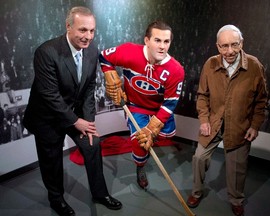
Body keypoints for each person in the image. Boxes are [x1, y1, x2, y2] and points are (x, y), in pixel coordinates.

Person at [23, 6, 122, 216]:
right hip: (47, 117)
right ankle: (56, 199)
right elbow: (50, 95)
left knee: (92, 145)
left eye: (92, 31)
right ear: (68, 26)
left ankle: (99, 193)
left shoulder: (93, 50)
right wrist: (76, 121)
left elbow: (89, 88)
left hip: (74, 114)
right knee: (52, 159)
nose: (88, 37)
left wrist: (88, 122)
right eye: (83, 30)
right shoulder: (46, 52)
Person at [186, 24, 268, 216]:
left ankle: (236, 199)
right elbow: (202, 96)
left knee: (237, 168)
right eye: (224, 46)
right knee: (199, 157)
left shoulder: (255, 66)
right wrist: (204, 120)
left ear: (241, 43)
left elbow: (261, 101)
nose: (229, 51)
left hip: (239, 127)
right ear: (217, 46)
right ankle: (196, 192)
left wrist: (255, 126)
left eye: (234, 45)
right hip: (214, 124)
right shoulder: (210, 64)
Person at [99, 21, 185, 190]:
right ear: (146, 40)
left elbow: (170, 103)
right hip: (135, 106)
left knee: (164, 135)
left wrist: (152, 128)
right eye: (157, 40)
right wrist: (109, 74)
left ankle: (151, 140)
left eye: (166, 42)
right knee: (139, 142)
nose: (162, 46)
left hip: (159, 108)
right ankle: (140, 167)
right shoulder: (129, 51)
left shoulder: (176, 70)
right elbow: (104, 57)